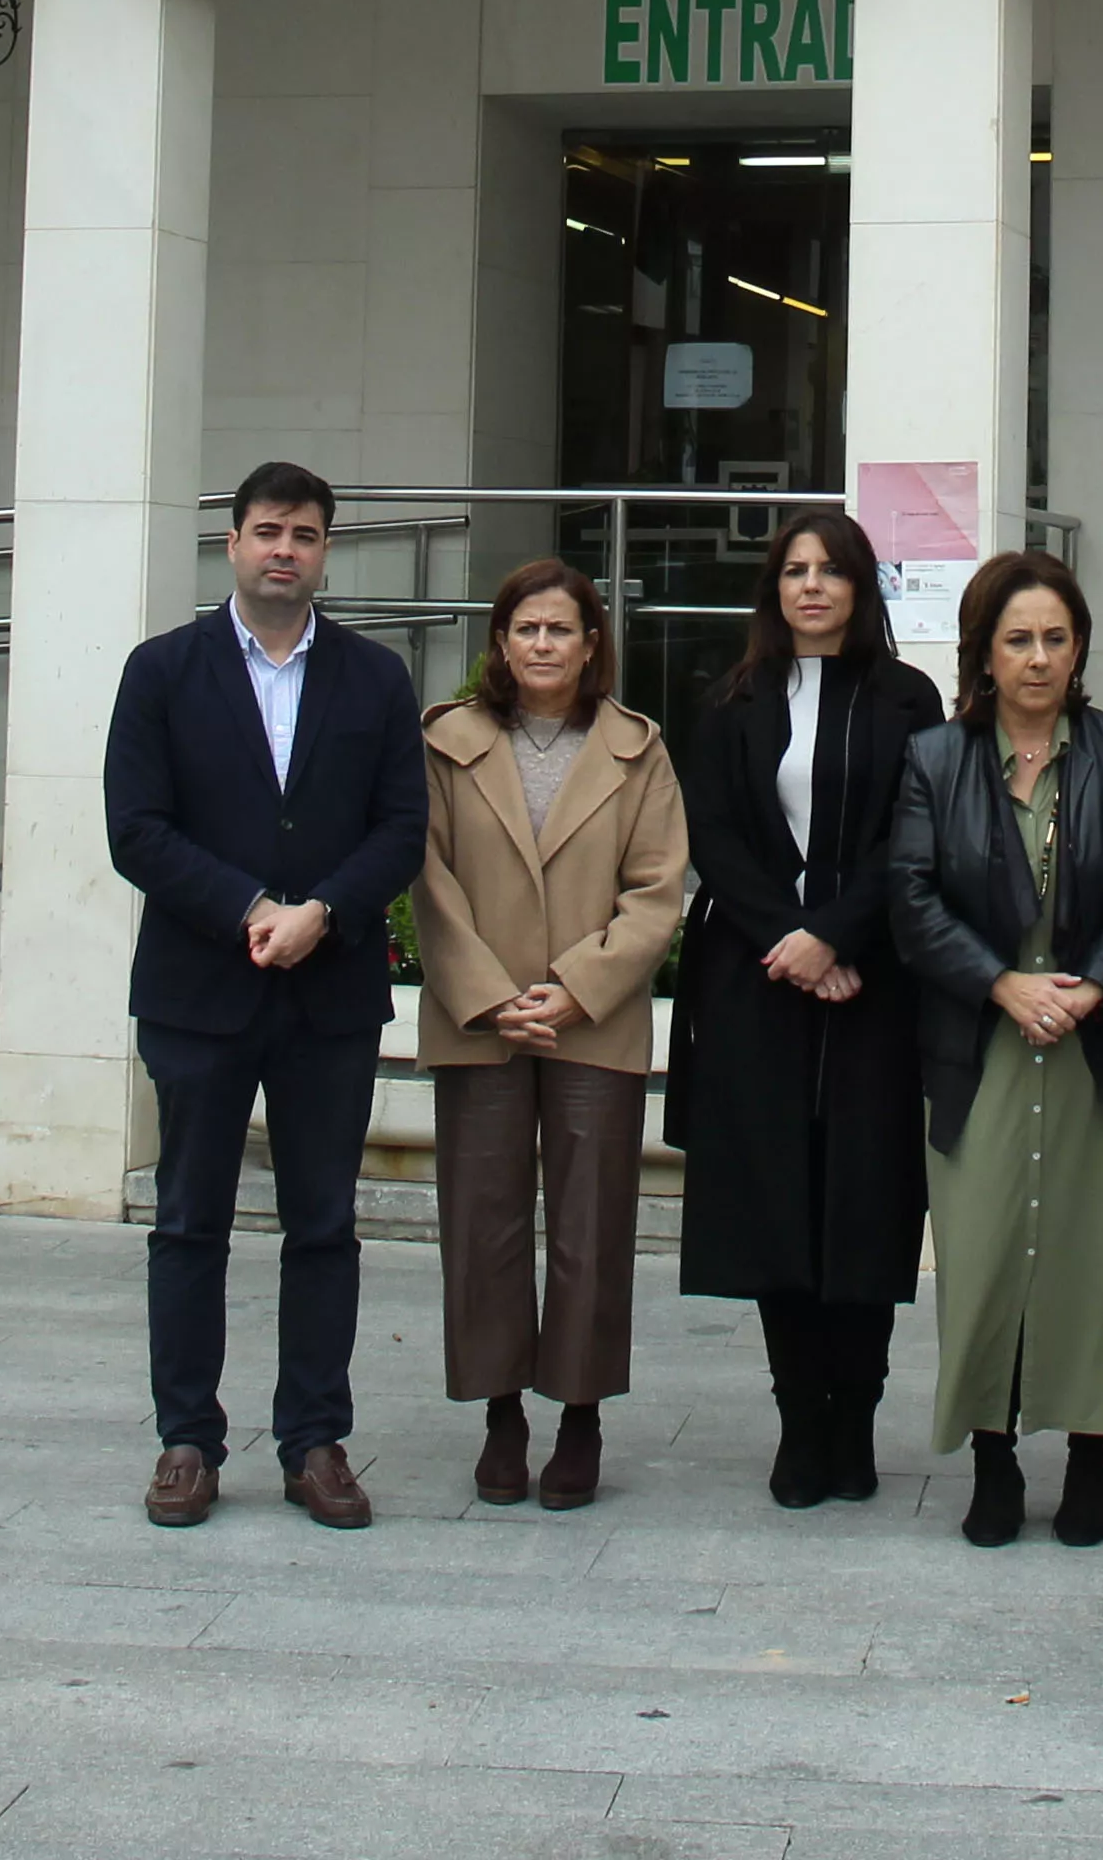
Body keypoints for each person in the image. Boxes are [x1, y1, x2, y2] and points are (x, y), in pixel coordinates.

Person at [105, 460, 428, 1532]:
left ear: (327, 549)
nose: (283, 548)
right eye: (265, 531)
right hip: (200, 993)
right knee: (189, 1220)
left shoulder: (376, 679)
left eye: (303, 533)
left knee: (324, 1226)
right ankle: (187, 1442)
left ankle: (314, 1441)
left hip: (329, 993)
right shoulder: (163, 671)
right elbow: (136, 830)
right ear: (232, 544)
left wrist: (321, 915)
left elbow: (401, 829)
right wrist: (249, 906)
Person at [891, 547, 1103, 1550]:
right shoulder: (937, 759)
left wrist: (1093, 985)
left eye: (1056, 637)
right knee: (987, 1250)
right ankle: (994, 1460)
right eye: (1019, 640)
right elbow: (910, 898)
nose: (1040, 657)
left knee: (1098, 1257)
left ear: (1080, 646)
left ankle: (1089, 1461)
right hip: (984, 1040)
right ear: (985, 652)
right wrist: (1001, 983)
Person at [670, 512, 943, 1506]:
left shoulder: (909, 700)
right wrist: (790, 937)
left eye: (832, 571)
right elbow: (714, 832)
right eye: (795, 571)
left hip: (872, 980)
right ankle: (798, 1421)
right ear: (772, 589)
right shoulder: (735, 698)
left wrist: (836, 933)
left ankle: (855, 1418)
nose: (813, 587)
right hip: (758, 976)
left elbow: (916, 835)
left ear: (863, 589)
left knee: (864, 1203)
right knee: (779, 1203)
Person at [415, 557, 689, 1511]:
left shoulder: (635, 748)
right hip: (479, 1019)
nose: (543, 645)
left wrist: (576, 989)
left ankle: (579, 1414)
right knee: (484, 1222)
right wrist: (490, 996)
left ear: (591, 644)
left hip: (593, 1023)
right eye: (526, 629)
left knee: (591, 1226)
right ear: (500, 643)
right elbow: (428, 880)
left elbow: (659, 893)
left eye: (561, 630)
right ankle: (500, 1411)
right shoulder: (446, 742)